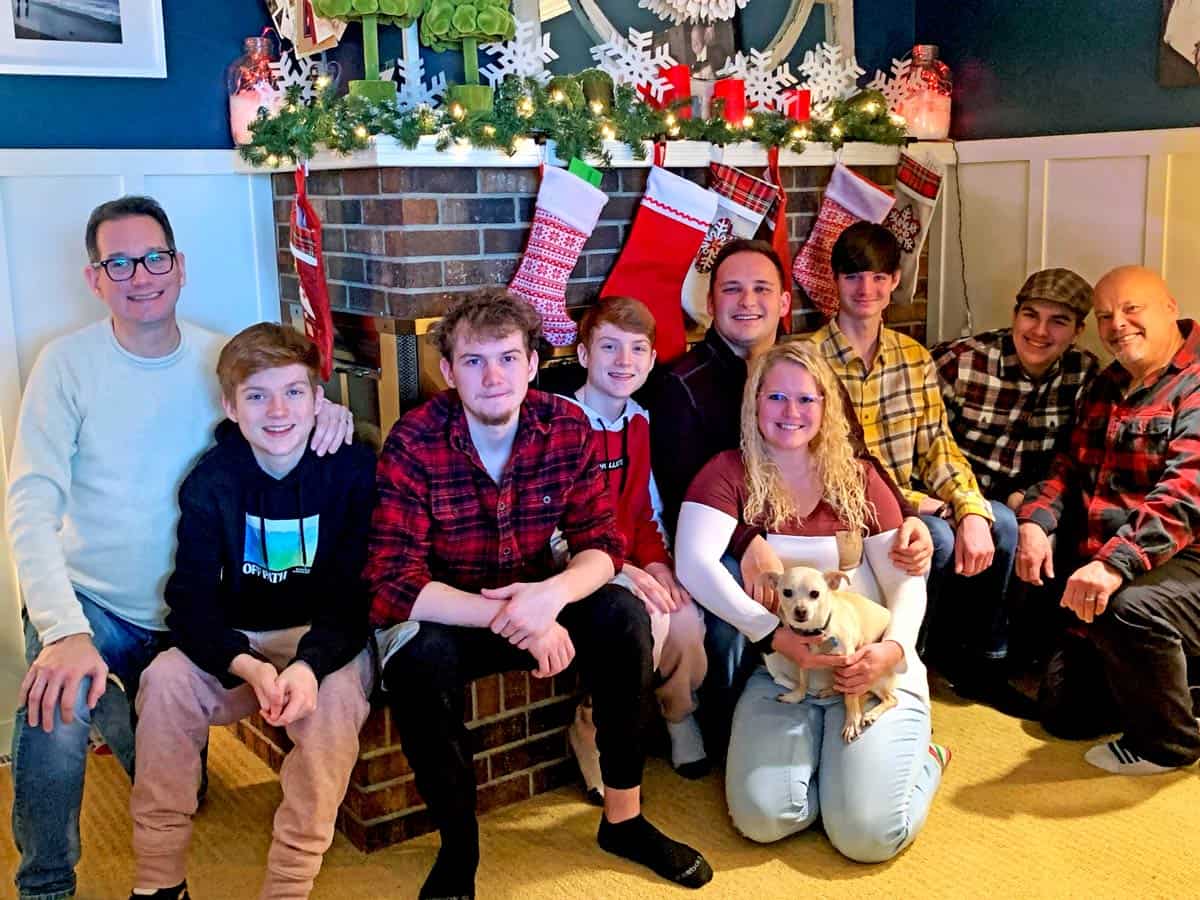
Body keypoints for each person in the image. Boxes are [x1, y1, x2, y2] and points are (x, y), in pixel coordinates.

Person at [5, 195, 351, 900]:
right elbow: (29, 503)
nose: (141, 274)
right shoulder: (65, 365)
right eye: (120, 262)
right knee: (54, 710)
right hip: (97, 607)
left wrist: (331, 410)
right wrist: (63, 630)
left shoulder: (217, 359)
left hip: (194, 614)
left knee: (180, 785)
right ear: (94, 277)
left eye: (155, 256)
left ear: (180, 266)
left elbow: (273, 411)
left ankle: (141, 730)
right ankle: (46, 884)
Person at [365, 289, 712, 899]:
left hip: (536, 595)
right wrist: (517, 615)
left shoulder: (564, 426)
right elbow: (395, 584)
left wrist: (550, 597)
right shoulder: (414, 442)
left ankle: (624, 820)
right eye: (473, 361)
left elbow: (603, 544)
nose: (492, 375)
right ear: (448, 371)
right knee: (418, 664)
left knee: (623, 617)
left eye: (507, 358)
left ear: (533, 363)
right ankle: (458, 849)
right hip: (455, 613)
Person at [649, 237, 933, 753]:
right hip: (729, 536)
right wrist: (749, 541)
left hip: (807, 529)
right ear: (711, 304)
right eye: (732, 290)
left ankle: (879, 679)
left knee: (905, 550)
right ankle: (732, 726)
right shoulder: (681, 385)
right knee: (745, 581)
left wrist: (907, 512)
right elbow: (684, 493)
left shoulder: (808, 367)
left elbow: (857, 457)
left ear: (784, 303)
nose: (748, 301)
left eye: (762, 289)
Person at [127, 324, 376, 899]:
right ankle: (159, 881)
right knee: (164, 682)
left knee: (336, 701)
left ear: (320, 399)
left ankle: (288, 885)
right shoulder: (211, 482)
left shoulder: (352, 472)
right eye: (257, 395)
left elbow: (355, 596)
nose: (278, 410)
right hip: (241, 646)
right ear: (230, 406)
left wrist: (309, 666)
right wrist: (247, 665)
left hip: (323, 642)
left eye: (293, 392)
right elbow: (187, 600)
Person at [674, 341, 947, 862]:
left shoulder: (859, 478)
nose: (791, 412)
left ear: (827, 406)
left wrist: (893, 652)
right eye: (776, 396)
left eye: (806, 399)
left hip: (871, 668)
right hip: (785, 672)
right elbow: (694, 563)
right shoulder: (729, 473)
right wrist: (771, 634)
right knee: (762, 818)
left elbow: (905, 580)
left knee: (867, 836)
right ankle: (839, 764)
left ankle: (925, 757)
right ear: (755, 403)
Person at [805, 222, 1022, 712]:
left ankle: (984, 662)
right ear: (835, 280)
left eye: (879, 277)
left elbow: (937, 447)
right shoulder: (810, 359)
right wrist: (915, 506)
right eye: (855, 276)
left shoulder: (914, 357)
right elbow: (820, 461)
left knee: (1000, 522)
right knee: (936, 539)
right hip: (850, 509)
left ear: (895, 282)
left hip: (913, 499)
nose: (867, 289)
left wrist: (968, 507)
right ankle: (908, 661)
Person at [1016, 265, 1200, 775]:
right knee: (1065, 714)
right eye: (1105, 316)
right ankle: (1182, 682)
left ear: (1169, 308)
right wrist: (1035, 520)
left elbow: (1185, 495)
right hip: (1121, 560)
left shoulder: (1195, 382)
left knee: (1127, 606)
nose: (1118, 324)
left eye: (1131, 309)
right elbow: (1067, 469)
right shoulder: (1109, 382)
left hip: (1186, 559)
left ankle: (1168, 745)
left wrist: (1113, 565)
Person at [563, 297, 708, 797]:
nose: (623, 361)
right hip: (578, 561)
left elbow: (644, 512)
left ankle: (678, 712)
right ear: (584, 355)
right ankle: (590, 724)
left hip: (628, 557)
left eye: (636, 350)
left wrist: (656, 564)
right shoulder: (563, 422)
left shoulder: (640, 422)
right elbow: (565, 525)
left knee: (685, 614)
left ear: (650, 360)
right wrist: (627, 571)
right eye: (609, 347)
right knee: (650, 615)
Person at [931, 268, 1099, 510]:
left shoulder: (1083, 372)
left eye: (1058, 321)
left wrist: (1027, 497)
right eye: (1030, 315)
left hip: (1028, 500)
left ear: (1077, 332)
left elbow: (1072, 456)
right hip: (954, 497)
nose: (1040, 331)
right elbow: (925, 445)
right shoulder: (959, 362)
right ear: (1014, 316)